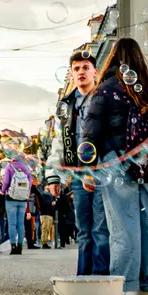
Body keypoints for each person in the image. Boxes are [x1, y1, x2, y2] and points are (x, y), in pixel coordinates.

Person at [81, 38, 148, 295]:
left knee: (123, 224)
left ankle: (127, 284)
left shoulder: (106, 88)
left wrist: (89, 168)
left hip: (116, 161)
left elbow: (92, 128)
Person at [57, 50, 110, 275]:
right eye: (77, 68)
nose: (81, 72)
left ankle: (100, 275)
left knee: (100, 227)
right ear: (71, 74)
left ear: (94, 72)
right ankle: (83, 275)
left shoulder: (104, 98)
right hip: (79, 172)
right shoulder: (67, 104)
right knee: (84, 229)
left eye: (85, 68)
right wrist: (56, 176)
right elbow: (59, 141)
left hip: (100, 169)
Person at [0, 151, 34, 255]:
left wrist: (2, 190)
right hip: (22, 199)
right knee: (20, 224)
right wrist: (26, 193)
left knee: (12, 223)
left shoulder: (9, 167)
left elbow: (6, 182)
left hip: (11, 198)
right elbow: (30, 181)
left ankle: (13, 246)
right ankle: (20, 246)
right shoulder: (26, 168)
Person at [38, 178, 61, 249]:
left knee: (46, 229)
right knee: (45, 229)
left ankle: (45, 243)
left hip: (48, 214)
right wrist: (51, 203)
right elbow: (45, 203)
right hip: (45, 214)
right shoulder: (45, 194)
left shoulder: (49, 195)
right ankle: (44, 243)